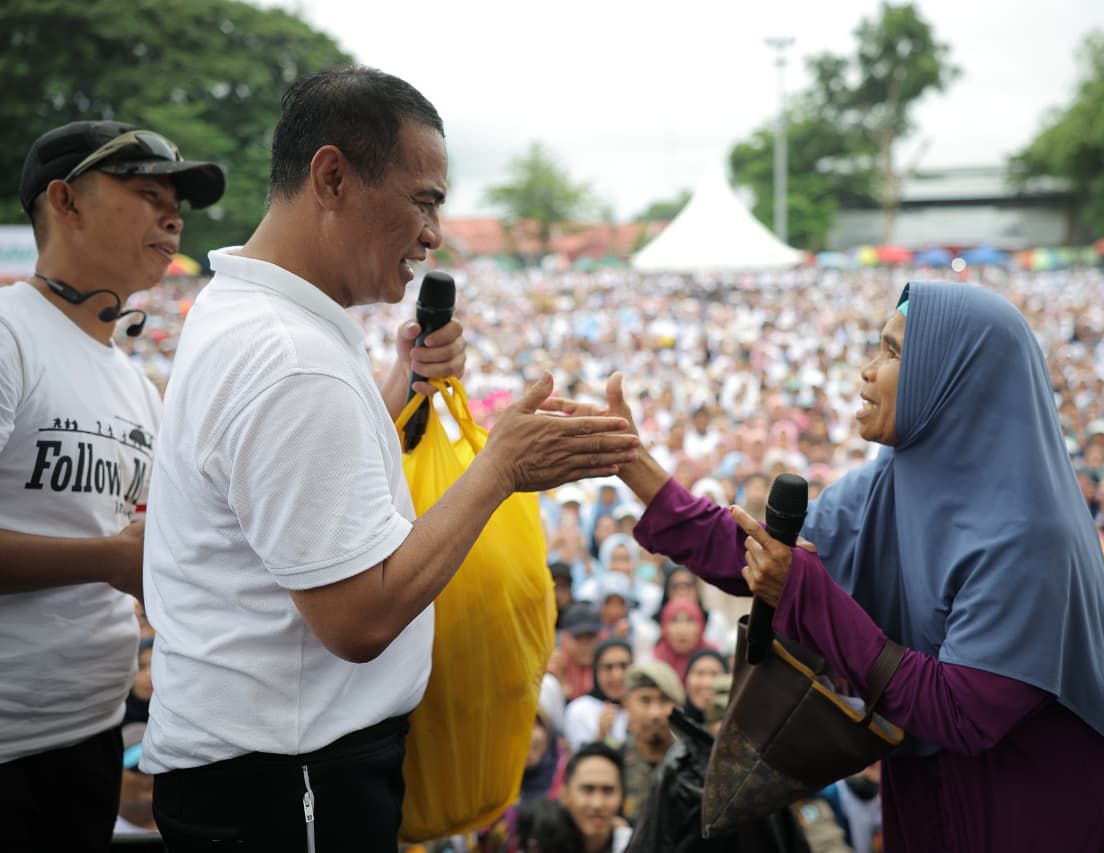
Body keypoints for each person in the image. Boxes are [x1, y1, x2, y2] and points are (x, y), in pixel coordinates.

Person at [141, 66, 638, 849]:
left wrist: (398, 382)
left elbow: (287, 492)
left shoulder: (254, 314)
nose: (435, 234)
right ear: (332, 176)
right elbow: (359, 616)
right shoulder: (289, 356)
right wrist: (499, 469)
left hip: (262, 764)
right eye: (425, 200)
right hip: (288, 777)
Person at [551, 282, 1104, 849]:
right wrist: (632, 463)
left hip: (1055, 803)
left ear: (951, 377)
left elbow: (961, 712)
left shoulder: (1030, 535)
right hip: (942, 790)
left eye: (892, 352)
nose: (866, 373)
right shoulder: (890, 486)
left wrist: (809, 595)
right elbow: (759, 554)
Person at [0, 119, 224, 852]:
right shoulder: (9, 335)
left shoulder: (134, 385)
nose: (173, 216)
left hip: (89, 732)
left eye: (177, 202)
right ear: (64, 201)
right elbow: (118, 549)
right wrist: (108, 558)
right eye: (147, 193)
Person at [620, 660, 683, 822]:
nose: (655, 713)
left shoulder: (689, 764)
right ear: (627, 705)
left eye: (663, 701)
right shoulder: (614, 761)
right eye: (645, 700)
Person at [559, 742, 633, 853]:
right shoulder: (541, 845)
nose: (597, 804)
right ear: (565, 795)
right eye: (588, 790)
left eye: (608, 791)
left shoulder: (636, 845)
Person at [564, 639, 633, 751]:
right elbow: (579, 762)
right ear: (596, 672)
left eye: (623, 666)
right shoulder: (579, 709)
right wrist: (601, 735)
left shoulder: (642, 706)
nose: (617, 675)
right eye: (608, 667)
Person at [681, 649, 729, 727]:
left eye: (715, 674)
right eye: (699, 673)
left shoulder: (738, 728)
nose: (707, 683)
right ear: (686, 679)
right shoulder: (673, 728)